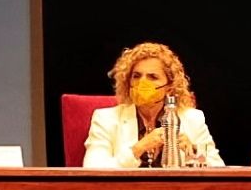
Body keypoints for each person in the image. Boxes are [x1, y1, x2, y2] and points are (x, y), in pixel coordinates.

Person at [83, 41, 223, 168]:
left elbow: (219, 170)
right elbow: (92, 169)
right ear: (128, 82)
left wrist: (193, 151)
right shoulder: (106, 118)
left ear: (169, 86)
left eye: (152, 77)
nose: (142, 83)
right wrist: (138, 149)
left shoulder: (193, 119)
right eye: (136, 76)